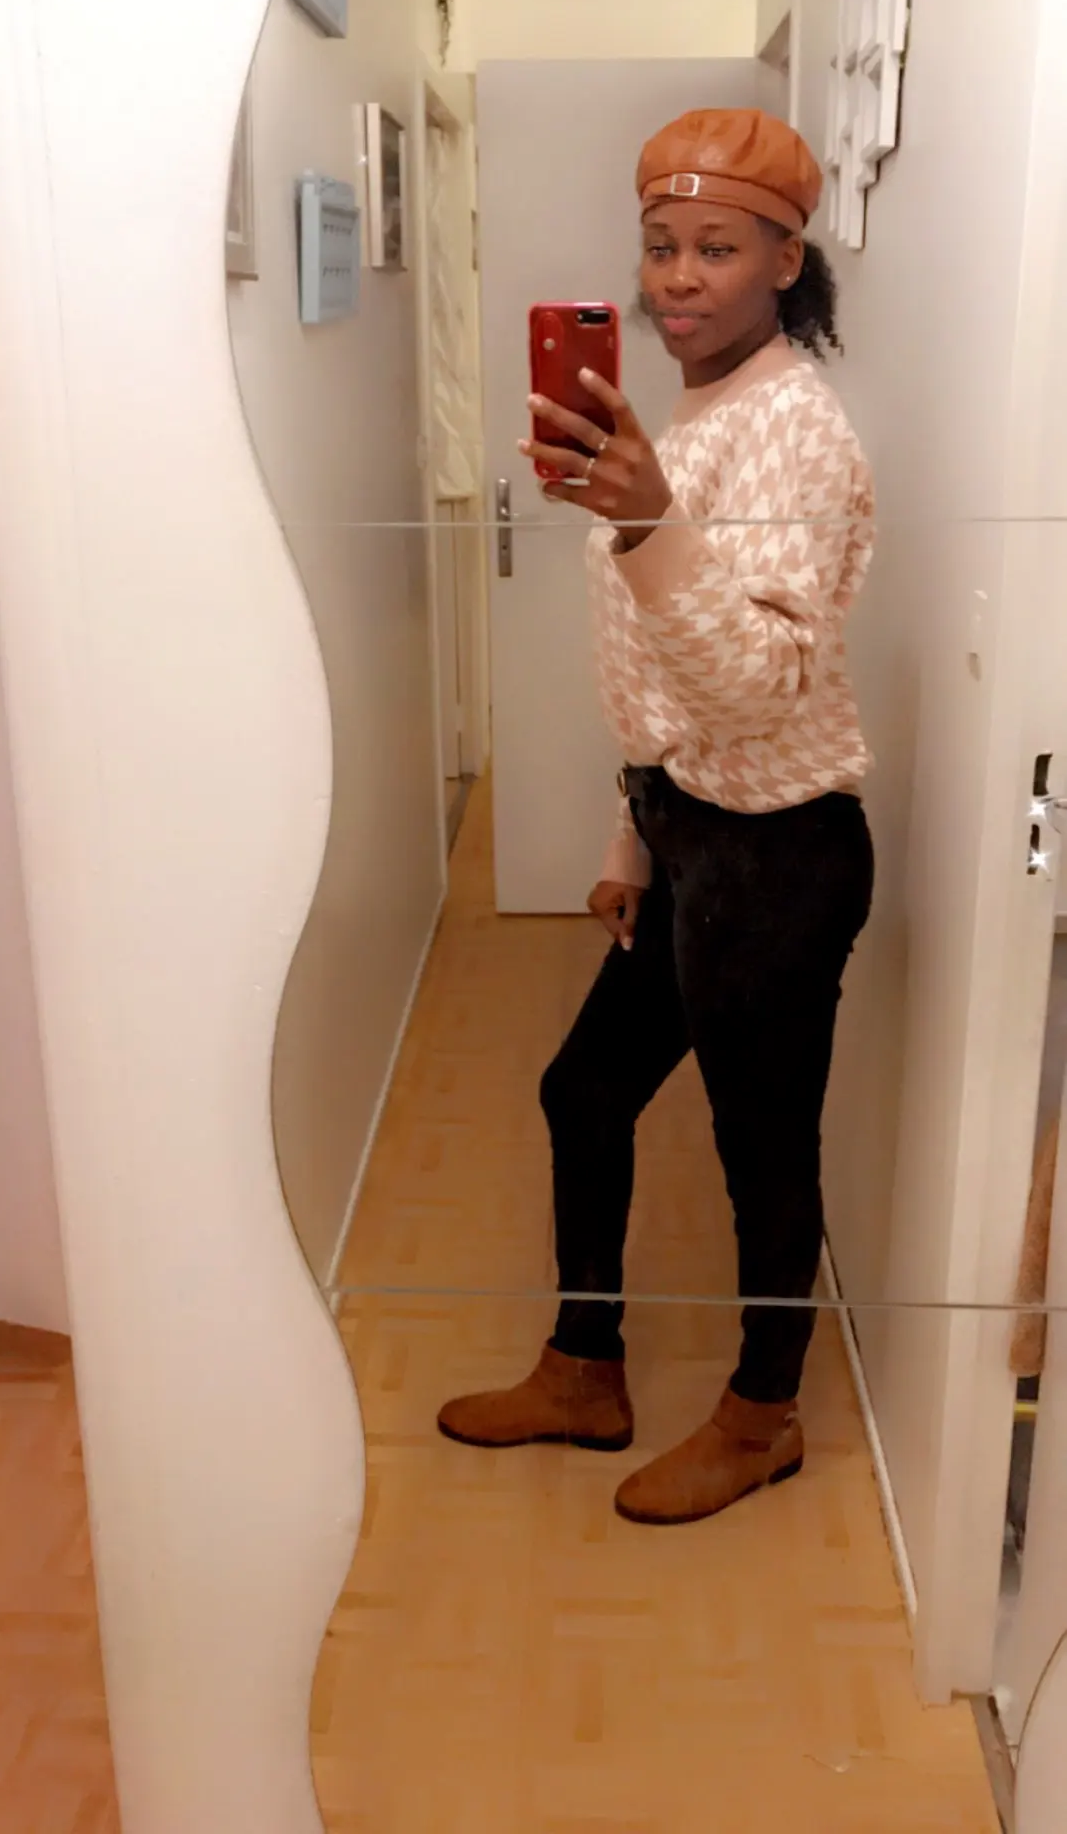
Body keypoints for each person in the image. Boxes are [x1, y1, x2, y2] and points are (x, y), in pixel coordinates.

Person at [437, 108, 875, 1526]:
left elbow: (754, 684)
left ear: (786, 261)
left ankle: (763, 1416)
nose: (679, 278)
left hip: (777, 851)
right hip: (691, 833)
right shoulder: (692, 411)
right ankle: (585, 1371)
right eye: (662, 245)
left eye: (718, 250)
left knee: (762, 1148)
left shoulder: (796, 430)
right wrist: (636, 835)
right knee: (583, 1091)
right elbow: (662, 672)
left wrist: (643, 525)